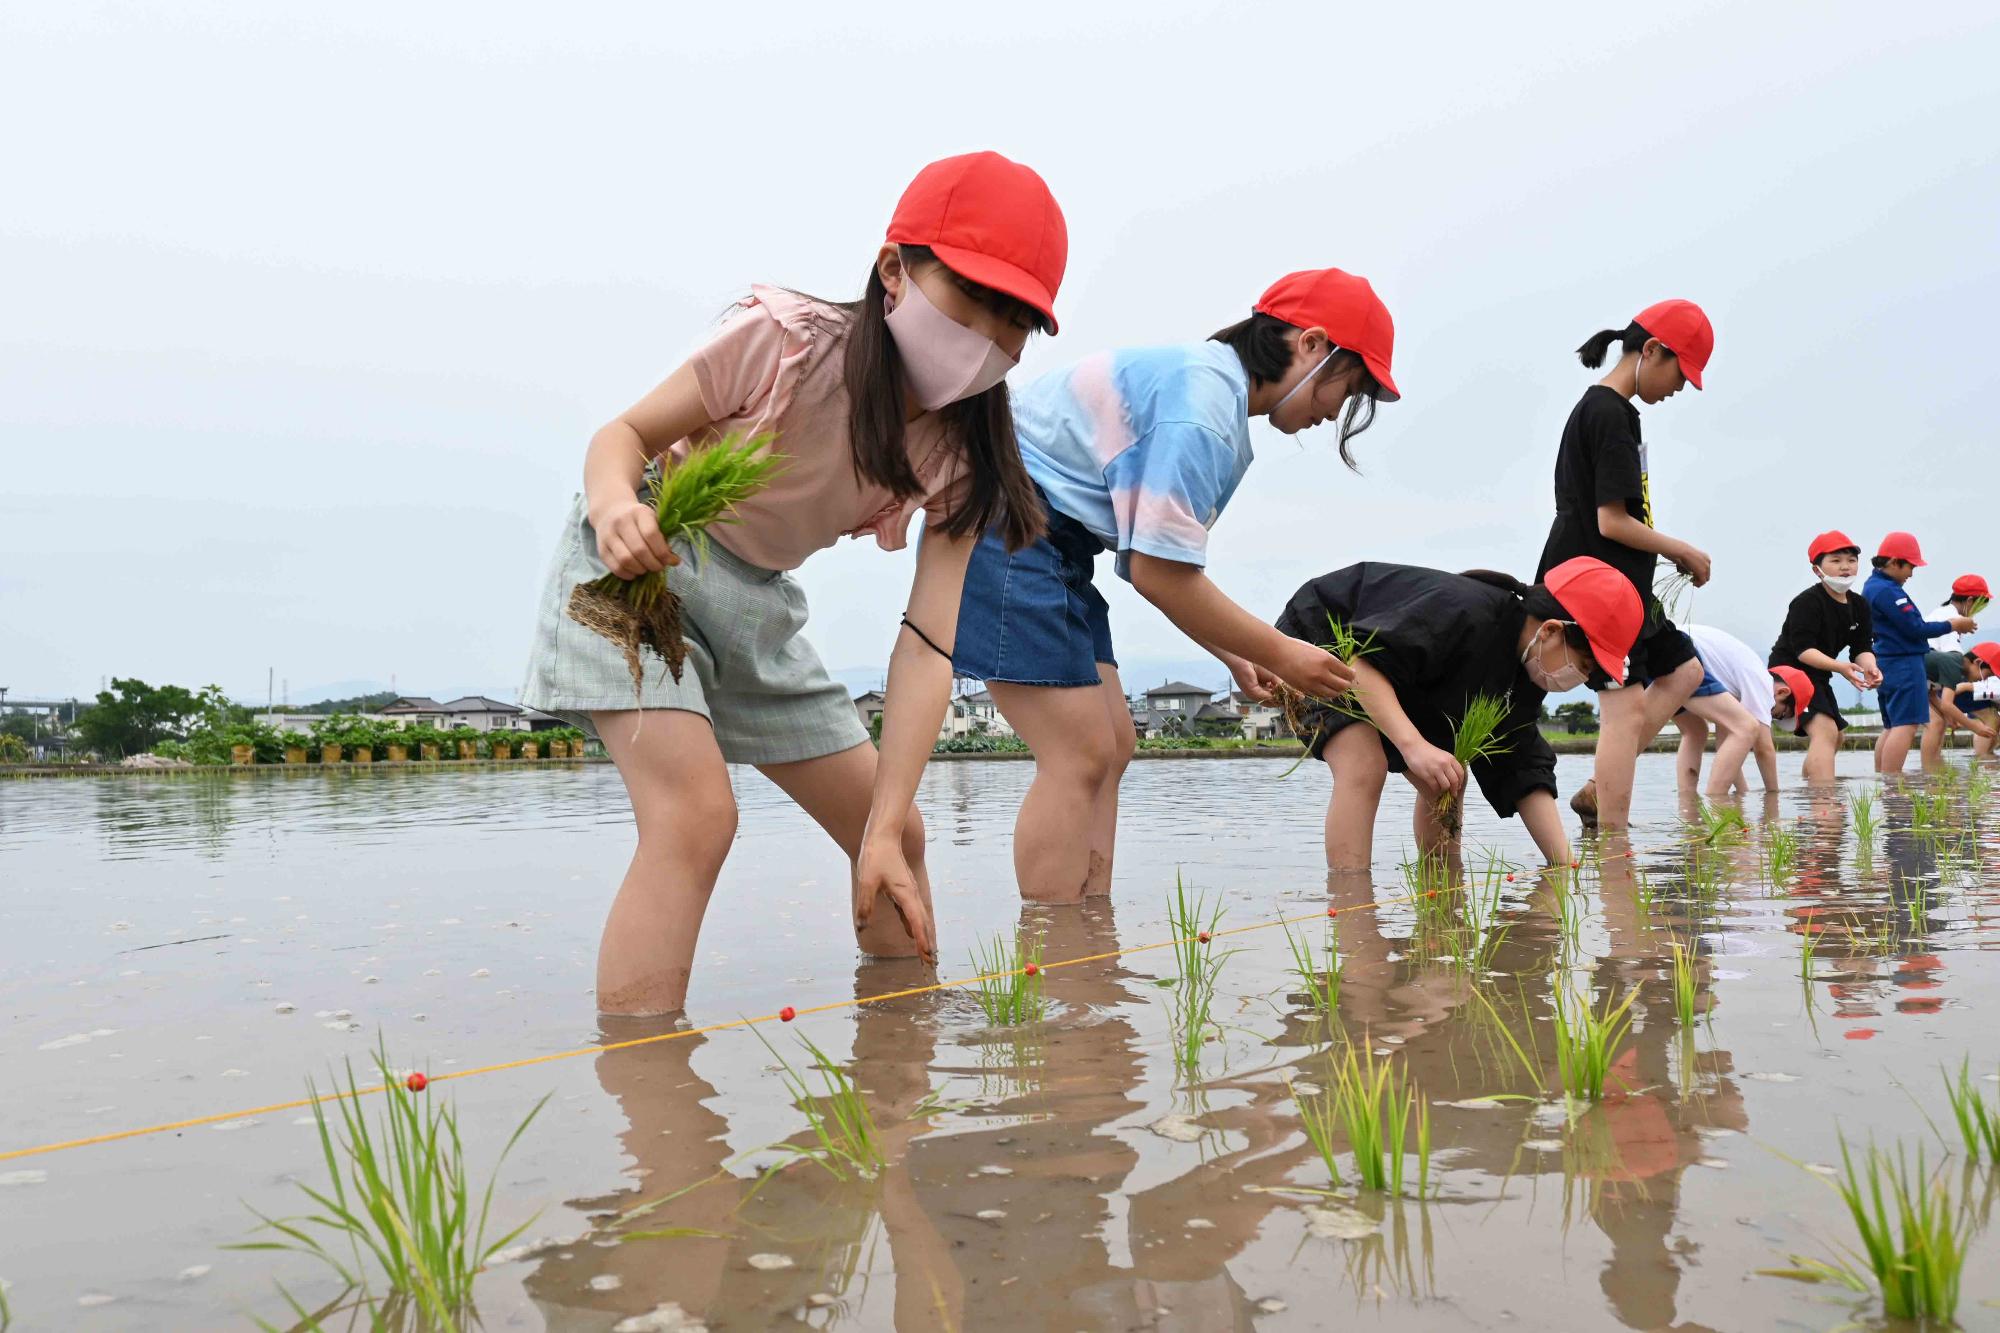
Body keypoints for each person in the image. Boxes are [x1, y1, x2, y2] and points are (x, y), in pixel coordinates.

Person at [520, 152, 1069, 1015]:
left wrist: (885, 820)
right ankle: (649, 1102)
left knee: (899, 836)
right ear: (895, 269)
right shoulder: (786, 344)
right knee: (696, 817)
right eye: (974, 303)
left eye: (1016, 326)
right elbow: (622, 433)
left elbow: (927, 648)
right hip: (647, 563)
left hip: (760, 604)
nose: (987, 345)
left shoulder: (964, 459)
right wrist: (614, 503)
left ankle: (896, 1083)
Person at [952, 268, 1398, 902]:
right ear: (1312, 344)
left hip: (1059, 544)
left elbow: (1152, 562)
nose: (1333, 416)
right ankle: (1057, 954)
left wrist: (1237, 654)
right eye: (1347, 389)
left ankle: (1090, 929)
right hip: (1008, 525)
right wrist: (1282, 653)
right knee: (1077, 752)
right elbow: (1161, 573)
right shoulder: (1203, 413)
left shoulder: (1210, 392)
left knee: (1114, 744)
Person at [1272, 557, 1642, 870]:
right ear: (1550, 630)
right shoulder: (1465, 611)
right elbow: (1365, 665)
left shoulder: (1525, 674)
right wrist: (1413, 745)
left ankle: (1443, 895)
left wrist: (1563, 867)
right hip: (1319, 641)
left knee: (1447, 777)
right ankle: (1353, 911)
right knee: (1363, 762)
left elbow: (1521, 764)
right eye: (1584, 664)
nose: (1583, 679)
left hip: (1395, 678)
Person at [1536, 299, 1715, 833]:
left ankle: (1599, 789)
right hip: (1598, 583)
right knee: (1623, 708)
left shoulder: (1614, 413)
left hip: (1624, 584)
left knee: (1686, 671)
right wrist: (1680, 549)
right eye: (1681, 374)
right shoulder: (1609, 414)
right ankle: (1614, 843)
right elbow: (1612, 521)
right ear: (1653, 351)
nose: (1680, 388)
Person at [1769, 529, 1882, 784]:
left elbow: (1862, 647)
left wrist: (1871, 667)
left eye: (1851, 560)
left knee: (1836, 736)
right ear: (1817, 569)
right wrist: (1841, 667)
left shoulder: (1860, 606)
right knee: (1825, 732)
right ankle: (1824, 802)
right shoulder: (1806, 603)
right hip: (1789, 670)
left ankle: (1811, 792)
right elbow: (1803, 650)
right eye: (1836, 560)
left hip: (1819, 673)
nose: (1845, 567)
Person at [1863, 531, 1976, 774]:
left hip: (1886, 660)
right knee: (1906, 724)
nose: (1911, 574)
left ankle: (1883, 783)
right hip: (1902, 663)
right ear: (1894, 562)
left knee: (1892, 725)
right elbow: (1915, 628)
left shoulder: (1874, 587)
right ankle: (1892, 786)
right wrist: (1953, 625)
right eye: (1910, 567)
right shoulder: (1887, 591)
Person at [1673, 625, 1780, 797]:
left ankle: (1687, 803)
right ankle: (1717, 802)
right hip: (1681, 649)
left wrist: (1742, 791)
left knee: (1695, 730)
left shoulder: (1734, 685)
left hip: (1659, 645)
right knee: (1746, 726)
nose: (1773, 716)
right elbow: (1763, 748)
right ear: (1783, 692)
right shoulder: (1763, 683)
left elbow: (1726, 745)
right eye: (1780, 714)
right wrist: (1773, 795)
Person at [1922, 639, 2000, 771]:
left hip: (1903, 674)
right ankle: (1929, 771)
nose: (1983, 680)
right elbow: (1947, 703)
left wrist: (1949, 716)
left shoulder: (1953, 663)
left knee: (1938, 722)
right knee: (1931, 723)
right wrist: (1974, 727)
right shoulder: (1954, 666)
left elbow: (1931, 693)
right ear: (1977, 662)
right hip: (1901, 674)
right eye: (1987, 675)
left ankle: (1932, 769)